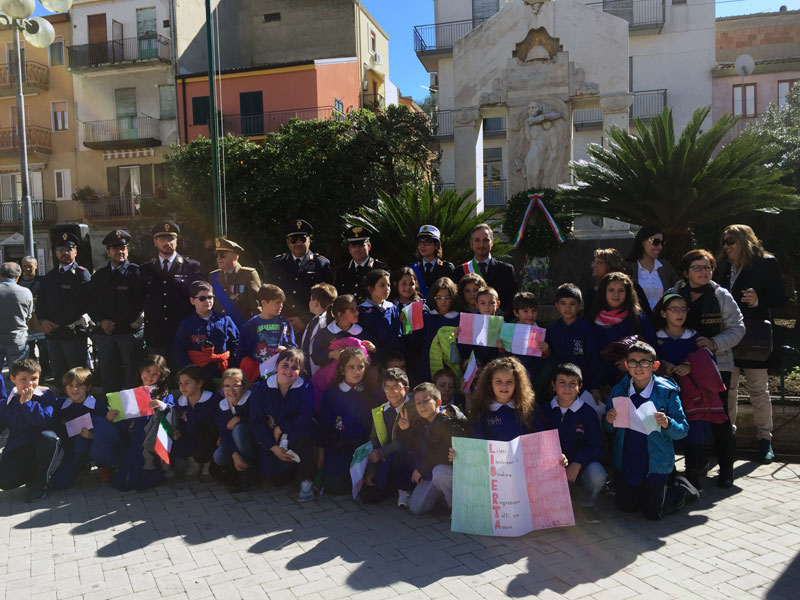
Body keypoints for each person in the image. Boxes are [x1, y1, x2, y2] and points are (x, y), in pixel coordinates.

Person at [670, 249, 744, 488]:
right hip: (685, 368)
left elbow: (737, 328)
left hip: (716, 365)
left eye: (708, 267)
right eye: (698, 267)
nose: (704, 272)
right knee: (690, 415)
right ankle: (693, 470)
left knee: (719, 418)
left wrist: (714, 343)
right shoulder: (674, 293)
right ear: (686, 271)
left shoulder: (720, 295)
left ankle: (726, 469)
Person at [714, 224, 786, 464]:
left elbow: (781, 297)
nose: (726, 246)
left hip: (754, 336)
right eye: (724, 241)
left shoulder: (766, 262)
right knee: (729, 388)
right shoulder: (723, 267)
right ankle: (728, 437)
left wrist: (758, 300)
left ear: (744, 241)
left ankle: (765, 439)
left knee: (758, 388)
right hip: (728, 336)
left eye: (731, 241)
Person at [604, 342, 697, 520]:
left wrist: (667, 423)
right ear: (626, 365)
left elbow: (683, 429)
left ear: (655, 366)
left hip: (655, 463)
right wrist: (609, 420)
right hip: (628, 461)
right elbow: (609, 428)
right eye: (633, 362)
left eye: (644, 362)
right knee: (625, 508)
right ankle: (642, 493)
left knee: (653, 514)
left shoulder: (667, 392)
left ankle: (681, 490)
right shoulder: (618, 391)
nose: (638, 367)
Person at [250, 348, 316, 501]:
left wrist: (281, 428)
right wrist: (273, 447)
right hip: (271, 437)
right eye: (285, 365)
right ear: (277, 366)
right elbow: (256, 421)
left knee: (304, 437)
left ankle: (307, 480)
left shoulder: (306, 388)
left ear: (300, 371)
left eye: (295, 367)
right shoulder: (260, 389)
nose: (289, 370)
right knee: (279, 480)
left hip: (296, 432)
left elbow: (305, 417)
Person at [397, 382, 469, 516]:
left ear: (438, 402)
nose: (422, 405)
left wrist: (421, 469)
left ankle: (458, 507)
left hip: (450, 473)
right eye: (418, 402)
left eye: (426, 400)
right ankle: (443, 499)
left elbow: (444, 455)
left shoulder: (448, 423)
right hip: (430, 474)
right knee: (415, 507)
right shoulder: (420, 422)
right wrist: (405, 430)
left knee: (440, 472)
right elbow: (412, 447)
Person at [87, 230, 146, 393]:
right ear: (108, 252)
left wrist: (117, 323)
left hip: (128, 332)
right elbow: (90, 302)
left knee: (132, 375)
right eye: (115, 248)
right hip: (105, 333)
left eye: (123, 248)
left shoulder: (137, 272)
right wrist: (102, 321)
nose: (119, 252)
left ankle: (134, 415)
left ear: (127, 250)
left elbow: (138, 303)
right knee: (108, 375)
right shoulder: (99, 276)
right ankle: (112, 411)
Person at [547, 363, 606, 523]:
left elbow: (597, 447)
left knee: (597, 474)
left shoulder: (588, 413)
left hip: (579, 467)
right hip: (552, 466)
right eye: (562, 383)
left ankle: (586, 505)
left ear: (580, 387)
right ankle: (551, 504)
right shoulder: (545, 410)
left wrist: (578, 462)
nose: (567, 388)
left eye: (573, 384)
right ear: (553, 385)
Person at [110, 355, 175, 491]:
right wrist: (112, 417)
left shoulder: (164, 394)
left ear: (162, 376)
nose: (150, 376)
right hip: (133, 440)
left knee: (143, 478)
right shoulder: (132, 392)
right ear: (141, 371)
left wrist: (161, 405)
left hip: (151, 441)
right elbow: (123, 421)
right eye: (147, 371)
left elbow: (172, 414)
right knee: (124, 479)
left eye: (155, 374)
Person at [141, 221, 203, 364]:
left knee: (184, 376)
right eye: (162, 239)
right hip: (156, 334)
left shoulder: (191, 267)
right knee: (158, 377)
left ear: (177, 241)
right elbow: (139, 298)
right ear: (155, 242)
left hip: (182, 332)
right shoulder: (146, 269)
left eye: (170, 239)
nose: (166, 243)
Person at [0, 358, 61, 502]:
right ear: (13, 379)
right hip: (20, 446)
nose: (29, 384)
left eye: (34, 379)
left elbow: (44, 421)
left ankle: (42, 482)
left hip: (43, 444)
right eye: (24, 379)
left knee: (48, 438)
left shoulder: (46, 396)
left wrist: (27, 403)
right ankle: (32, 475)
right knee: (5, 482)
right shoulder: (6, 403)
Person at [36, 232, 91, 388]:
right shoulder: (49, 276)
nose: (64, 253)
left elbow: (80, 304)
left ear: (75, 252)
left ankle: (81, 407)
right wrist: (43, 321)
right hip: (52, 335)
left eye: (69, 249)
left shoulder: (82, 274)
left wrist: (58, 323)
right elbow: (40, 302)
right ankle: (61, 406)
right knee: (59, 375)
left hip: (71, 333)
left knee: (77, 375)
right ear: (55, 252)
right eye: (60, 249)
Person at [318, 347, 373, 494]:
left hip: (362, 449)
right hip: (338, 447)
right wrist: (321, 449)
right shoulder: (332, 393)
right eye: (351, 367)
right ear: (342, 370)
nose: (357, 372)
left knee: (367, 487)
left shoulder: (369, 394)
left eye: (360, 367)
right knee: (334, 487)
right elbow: (324, 424)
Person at [590, 272, 657, 388]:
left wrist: (631, 361)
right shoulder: (592, 319)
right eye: (611, 290)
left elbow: (652, 347)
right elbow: (590, 354)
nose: (616, 294)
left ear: (628, 293)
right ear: (603, 292)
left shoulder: (638, 319)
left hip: (633, 383)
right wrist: (595, 386)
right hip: (600, 385)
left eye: (621, 290)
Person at [361, 368, 415, 506]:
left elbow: (406, 441)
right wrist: (371, 470)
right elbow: (373, 441)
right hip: (384, 459)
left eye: (396, 387)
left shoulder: (413, 409)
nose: (392, 392)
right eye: (388, 388)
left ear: (407, 389)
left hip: (405, 459)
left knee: (397, 457)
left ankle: (405, 490)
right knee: (367, 495)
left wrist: (382, 452)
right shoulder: (380, 411)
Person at [50, 367, 110, 490]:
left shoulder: (98, 406)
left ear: (88, 388)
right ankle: (82, 465)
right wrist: (44, 390)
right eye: (70, 385)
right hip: (75, 450)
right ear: (65, 388)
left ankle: (104, 466)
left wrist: (93, 435)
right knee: (58, 483)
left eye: (79, 386)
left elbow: (109, 431)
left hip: (95, 444)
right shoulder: (62, 405)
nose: (74, 389)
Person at [267, 219, 333, 325]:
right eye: (293, 240)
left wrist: (304, 319)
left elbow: (327, 298)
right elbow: (270, 295)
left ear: (309, 241)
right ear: (288, 242)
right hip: (280, 323)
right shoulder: (276, 264)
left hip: (311, 324)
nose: (298, 243)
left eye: (302, 239)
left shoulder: (321, 264)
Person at [545, 284, 601, 402]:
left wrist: (595, 387)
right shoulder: (551, 329)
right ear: (557, 305)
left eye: (572, 303)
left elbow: (593, 358)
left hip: (582, 385)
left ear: (579, 306)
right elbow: (549, 359)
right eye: (563, 303)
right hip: (558, 385)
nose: (568, 308)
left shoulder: (587, 329)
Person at [173, 281, 240, 379]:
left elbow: (237, 345)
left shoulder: (225, 320)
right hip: (198, 376)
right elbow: (179, 351)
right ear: (192, 301)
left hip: (224, 373)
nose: (207, 301)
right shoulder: (186, 325)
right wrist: (191, 372)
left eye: (210, 297)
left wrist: (232, 368)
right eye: (202, 298)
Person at [470, 356, 547, 440]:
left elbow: (541, 438)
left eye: (509, 382)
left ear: (517, 384)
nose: (504, 387)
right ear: (490, 383)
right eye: (498, 381)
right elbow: (477, 441)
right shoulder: (481, 409)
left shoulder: (528, 409)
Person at [236, 284, 296, 383]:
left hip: (280, 374)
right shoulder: (250, 325)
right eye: (277, 302)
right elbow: (241, 353)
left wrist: (287, 351)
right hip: (258, 376)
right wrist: (253, 368)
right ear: (264, 303)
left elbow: (292, 345)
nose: (281, 306)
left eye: (282, 303)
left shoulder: (284, 323)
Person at [455, 224, 518, 316]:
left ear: (492, 242)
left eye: (485, 240)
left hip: (497, 325)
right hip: (468, 325)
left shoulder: (506, 270)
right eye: (477, 240)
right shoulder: (459, 272)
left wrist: (504, 315)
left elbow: (512, 302)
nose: (481, 245)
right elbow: (456, 303)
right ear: (471, 244)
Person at [173, 366, 223, 479]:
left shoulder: (214, 400)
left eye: (187, 383)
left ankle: (208, 463)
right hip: (190, 440)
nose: (183, 387)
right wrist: (178, 432)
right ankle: (193, 461)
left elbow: (222, 421)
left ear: (199, 383)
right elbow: (181, 424)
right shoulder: (180, 403)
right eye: (180, 383)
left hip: (211, 441)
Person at [213, 368, 256, 492]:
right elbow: (224, 432)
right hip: (235, 443)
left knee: (238, 430)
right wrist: (234, 455)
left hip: (253, 442)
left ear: (244, 386)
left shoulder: (252, 399)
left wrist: (240, 419)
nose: (231, 390)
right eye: (226, 386)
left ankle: (249, 471)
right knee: (218, 456)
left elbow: (258, 419)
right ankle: (239, 466)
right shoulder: (223, 406)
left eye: (236, 386)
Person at [209, 237, 262, 327]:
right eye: (216, 255)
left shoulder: (248, 275)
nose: (218, 258)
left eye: (222, 255)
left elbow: (257, 307)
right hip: (220, 329)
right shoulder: (214, 276)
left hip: (243, 329)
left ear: (235, 257)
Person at [626, 226, 679, 315]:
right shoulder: (628, 268)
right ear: (642, 241)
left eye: (662, 243)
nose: (660, 247)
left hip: (662, 321)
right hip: (638, 321)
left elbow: (678, 288)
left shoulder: (665, 267)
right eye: (656, 242)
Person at [358, 269, 401, 364]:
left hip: (391, 359)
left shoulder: (392, 308)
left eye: (388, 285)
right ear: (370, 289)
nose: (387, 289)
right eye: (382, 285)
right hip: (370, 360)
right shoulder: (362, 311)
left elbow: (397, 334)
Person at [0, 262, 33, 385]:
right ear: (18, 276)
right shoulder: (25, 292)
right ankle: (18, 398)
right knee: (19, 373)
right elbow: (28, 316)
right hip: (17, 337)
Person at [335, 225, 390, 297]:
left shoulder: (381, 269)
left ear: (369, 246)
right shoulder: (342, 271)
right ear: (349, 249)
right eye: (354, 246)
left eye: (361, 245)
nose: (357, 249)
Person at [17, 256, 48, 374]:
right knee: (28, 348)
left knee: (43, 346)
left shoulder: (43, 281)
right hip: (24, 319)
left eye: (30, 266)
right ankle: (31, 370)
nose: (27, 269)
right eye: (24, 266)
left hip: (39, 318)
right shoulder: (18, 281)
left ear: (36, 266)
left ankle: (45, 369)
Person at [410, 225, 454, 304]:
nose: (422, 245)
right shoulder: (413, 269)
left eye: (427, 242)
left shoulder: (447, 268)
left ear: (437, 245)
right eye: (420, 242)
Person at [301, 282, 337, 377]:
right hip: (309, 373)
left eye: (310, 300)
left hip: (321, 375)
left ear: (316, 302)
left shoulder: (326, 322)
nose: (309, 303)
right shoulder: (314, 320)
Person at [583, 248, 626, 316]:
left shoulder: (631, 288)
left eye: (599, 263)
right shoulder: (591, 294)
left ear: (611, 265)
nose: (593, 266)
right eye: (594, 262)